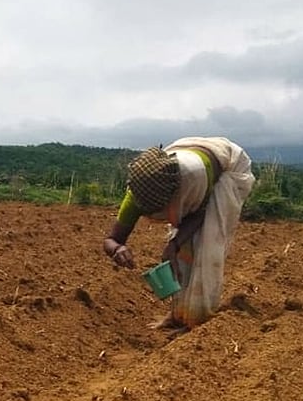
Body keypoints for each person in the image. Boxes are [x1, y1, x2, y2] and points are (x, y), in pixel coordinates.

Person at [102, 137, 255, 336]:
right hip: (188, 161)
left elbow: (199, 213)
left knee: (205, 250)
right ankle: (177, 314)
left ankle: (197, 320)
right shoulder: (137, 196)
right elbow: (111, 239)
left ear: (173, 197)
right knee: (181, 254)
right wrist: (117, 248)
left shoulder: (192, 180)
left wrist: (174, 245)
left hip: (227, 167)